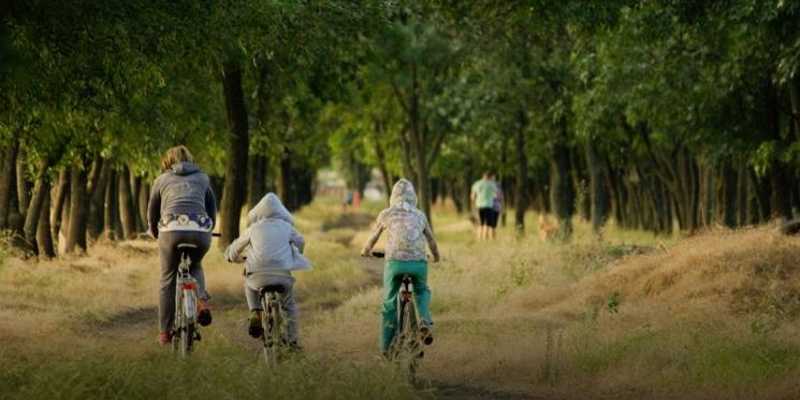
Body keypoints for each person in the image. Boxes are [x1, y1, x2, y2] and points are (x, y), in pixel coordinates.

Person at [360, 179, 440, 355]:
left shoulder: (386, 214)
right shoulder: (420, 215)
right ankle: (424, 321)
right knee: (422, 291)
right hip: (418, 263)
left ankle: (386, 349)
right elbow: (431, 241)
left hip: (394, 263)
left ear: (393, 196)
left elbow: (373, 237)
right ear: (413, 197)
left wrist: (365, 251)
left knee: (389, 302)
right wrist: (436, 257)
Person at [147, 145, 216, 346]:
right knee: (195, 265)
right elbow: (212, 210)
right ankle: (201, 301)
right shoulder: (203, 178)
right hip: (200, 229)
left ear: (168, 161)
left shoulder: (161, 180)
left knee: (167, 278)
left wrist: (154, 232)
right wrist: (207, 228)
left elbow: (152, 212)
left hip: (170, 230)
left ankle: (164, 332)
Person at [224, 193, 311, 348]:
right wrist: (295, 252)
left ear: (258, 212)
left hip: (257, 276)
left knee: (249, 285)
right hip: (282, 275)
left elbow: (235, 249)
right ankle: (292, 341)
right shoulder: (286, 226)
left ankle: (255, 312)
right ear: (281, 211)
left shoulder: (253, 228)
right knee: (289, 305)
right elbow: (301, 241)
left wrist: (232, 257)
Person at [471, 172, 499, 240]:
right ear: (489, 177)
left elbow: (472, 196)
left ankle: (479, 238)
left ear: (483, 176)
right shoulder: (492, 184)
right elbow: (497, 195)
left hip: (479, 205)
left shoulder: (477, 183)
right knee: (487, 223)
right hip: (489, 205)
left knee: (480, 223)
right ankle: (485, 238)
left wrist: (473, 203)